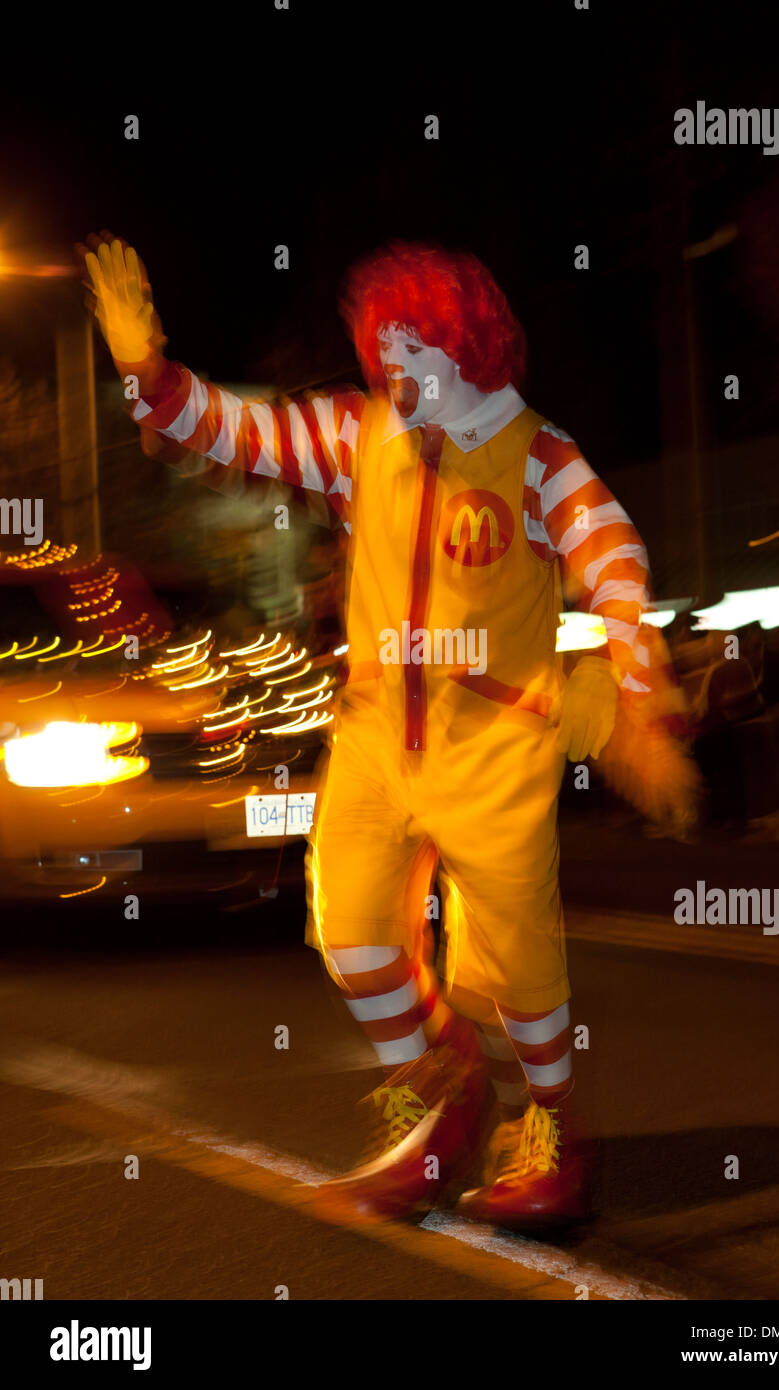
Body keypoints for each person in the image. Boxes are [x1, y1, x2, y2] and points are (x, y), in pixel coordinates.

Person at [80, 232, 696, 1230]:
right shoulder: (358, 434)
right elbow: (241, 432)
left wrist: (638, 688)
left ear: (466, 346)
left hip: (493, 737)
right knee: (352, 927)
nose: (394, 373)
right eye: (383, 353)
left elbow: (610, 556)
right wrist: (147, 374)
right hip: (375, 732)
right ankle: (439, 1086)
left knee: (517, 968)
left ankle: (548, 1129)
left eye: (411, 349)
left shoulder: (536, 454)